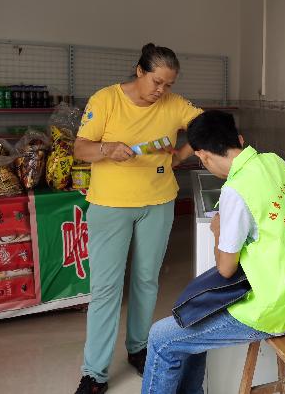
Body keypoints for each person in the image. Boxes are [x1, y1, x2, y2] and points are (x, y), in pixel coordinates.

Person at [141, 110, 285, 394]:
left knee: (160, 339)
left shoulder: (236, 190)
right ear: (240, 140)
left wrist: (218, 230)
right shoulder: (275, 162)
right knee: (191, 318)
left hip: (266, 311)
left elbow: (225, 269)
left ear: (203, 156)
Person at [73, 44, 203, 394]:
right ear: (139, 71)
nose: (161, 90)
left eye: (168, 84)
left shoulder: (174, 105)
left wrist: (180, 155)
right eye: (157, 81)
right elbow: (80, 147)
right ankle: (94, 373)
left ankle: (139, 349)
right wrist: (106, 149)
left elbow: (207, 126)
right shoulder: (106, 100)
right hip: (110, 206)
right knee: (106, 289)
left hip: (158, 203)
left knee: (146, 281)